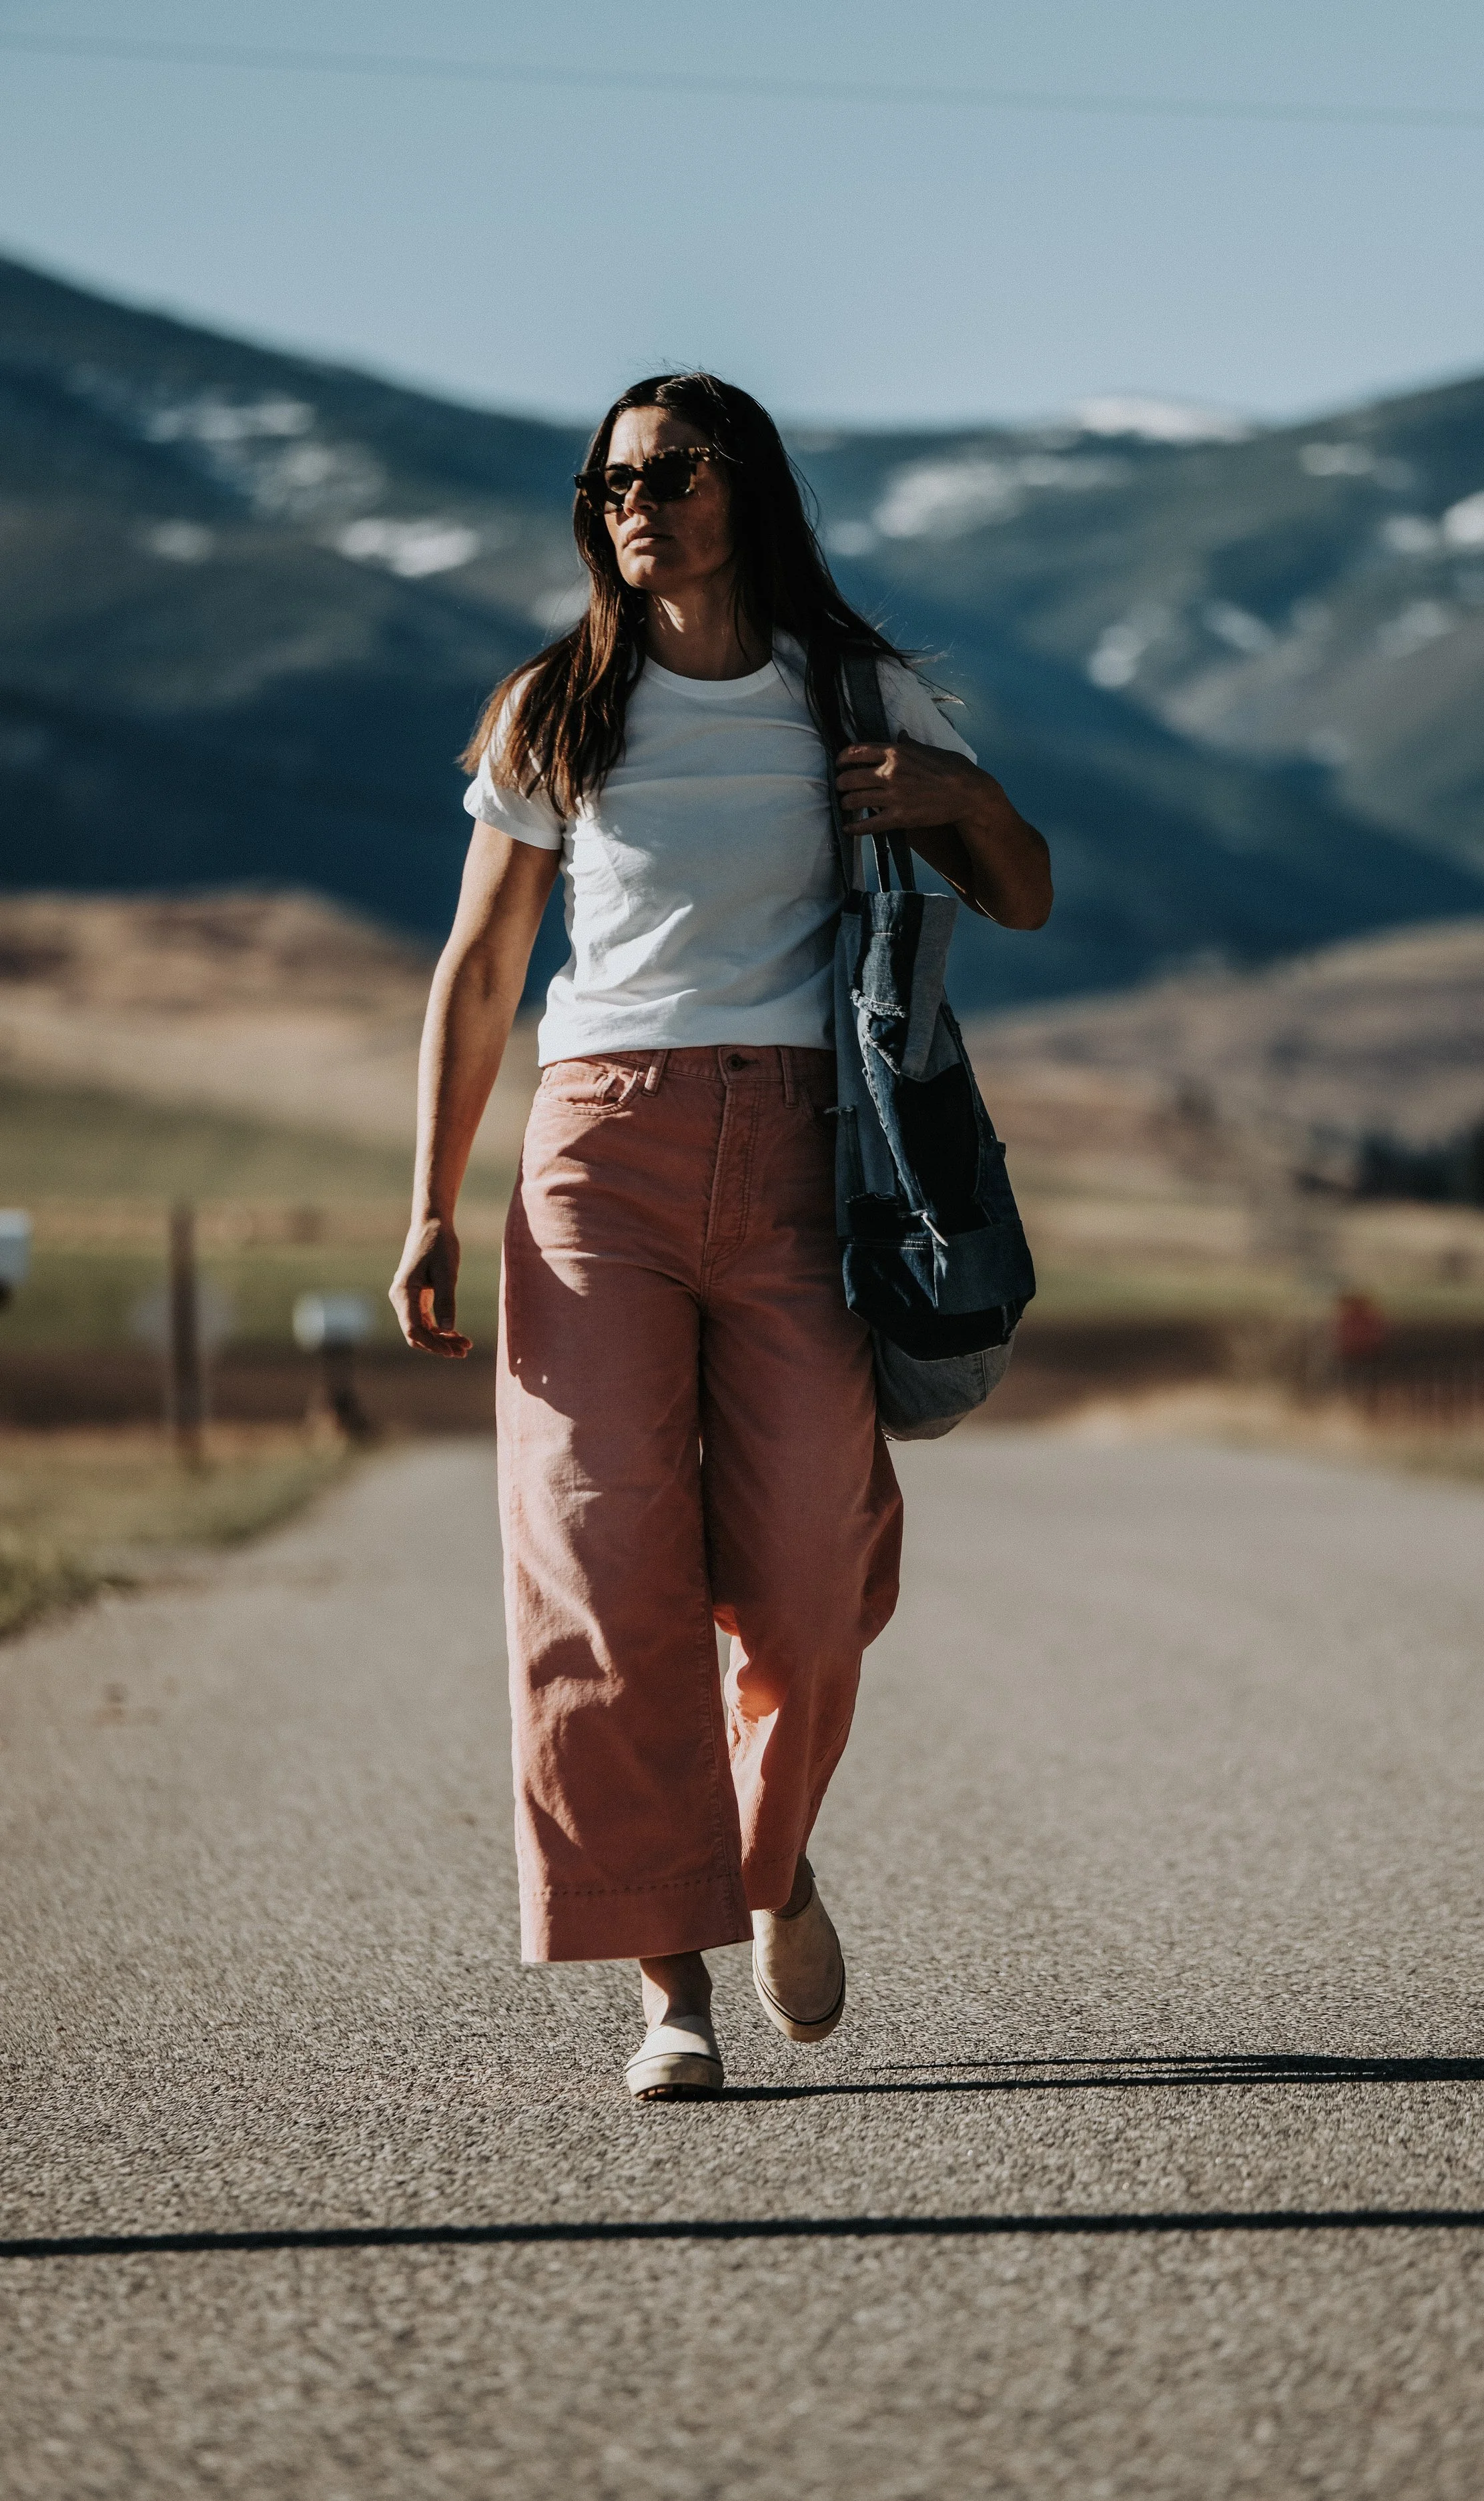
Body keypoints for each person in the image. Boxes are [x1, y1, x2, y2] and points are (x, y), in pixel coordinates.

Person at [390, 371, 1052, 2103]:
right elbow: (481, 969)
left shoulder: (852, 693)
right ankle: (666, 1981)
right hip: (594, 1159)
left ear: (743, 489)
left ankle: (770, 1857)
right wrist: (430, 1203)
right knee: (604, 1567)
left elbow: (1023, 885)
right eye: (609, 482)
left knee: (811, 1580)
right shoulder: (557, 707)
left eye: (671, 473)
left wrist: (950, 791)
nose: (636, 503)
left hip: (803, 1164)